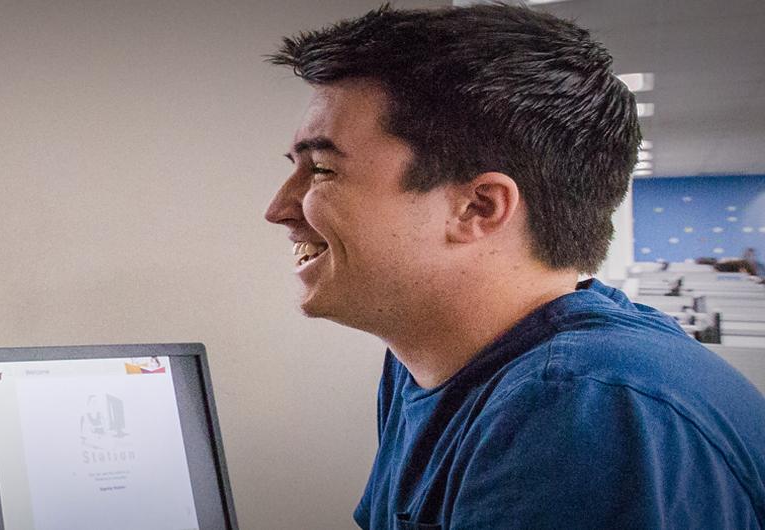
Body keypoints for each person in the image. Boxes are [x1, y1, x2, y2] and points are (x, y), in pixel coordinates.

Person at [264, 6, 765, 528]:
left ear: (478, 207)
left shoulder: (581, 409)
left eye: (321, 169)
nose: (277, 209)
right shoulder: (430, 364)